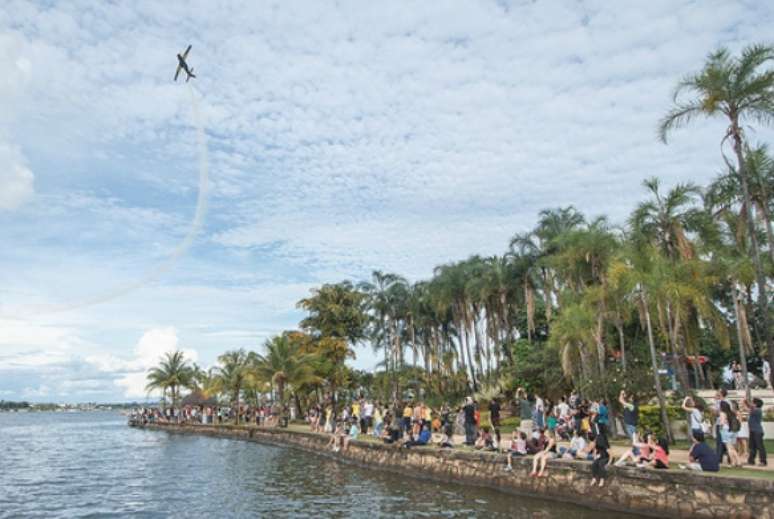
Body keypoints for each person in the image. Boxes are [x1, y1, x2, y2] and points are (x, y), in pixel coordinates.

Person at [719, 400, 742, 467]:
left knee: (729, 448)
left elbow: (722, 423)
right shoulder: (731, 412)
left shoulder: (722, 413)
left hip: (726, 430)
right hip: (733, 431)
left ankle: (734, 462)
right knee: (732, 447)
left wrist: (720, 428)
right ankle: (737, 461)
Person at [747, 397, 768, 466]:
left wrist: (745, 402)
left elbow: (748, 408)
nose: (751, 403)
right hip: (753, 431)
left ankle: (763, 461)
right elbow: (750, 407)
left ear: (755, 404)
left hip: (757, 431)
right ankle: (751, 461)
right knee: (752, 446)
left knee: (760, 447)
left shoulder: (757, 410)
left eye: (753, 402)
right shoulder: (755, 409)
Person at [713, 389, 729, 463]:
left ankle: (719, 458)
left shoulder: (719, 402)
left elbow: (716, 413)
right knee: (728, 442)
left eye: (718, 392)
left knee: (719, 441)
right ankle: (730, 458)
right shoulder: (729, 401)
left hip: (721, 423)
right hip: (728, 424)